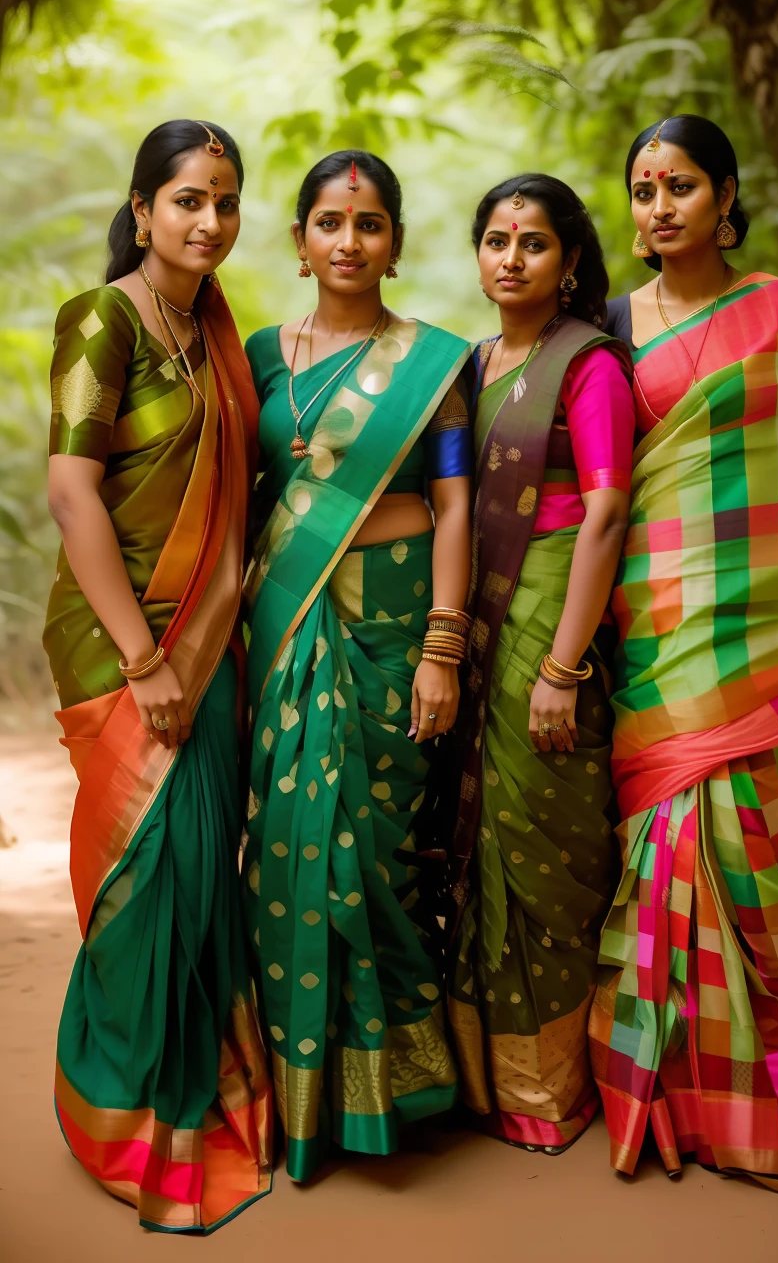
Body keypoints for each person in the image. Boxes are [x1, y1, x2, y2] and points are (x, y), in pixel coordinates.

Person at [594, 114, 778, 1191]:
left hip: (764, 636)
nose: (660, 206)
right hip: (651, 624)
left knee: (753, 849)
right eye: (642, 189)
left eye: (680, 184)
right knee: (664, 853)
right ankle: (677, 1089)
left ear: (727, 197)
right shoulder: (605, 326)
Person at [44, 119, 272, 1233]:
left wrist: (188, 658)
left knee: (199, 880)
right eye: (188, 199)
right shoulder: (107, 321)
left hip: (208, 649)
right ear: (142, 212)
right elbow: (73, 492)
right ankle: (124, 1117)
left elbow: (242, 519)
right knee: (139, 892)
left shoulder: (216, 334)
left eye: (225, 201)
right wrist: (143, 661)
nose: (209, 221)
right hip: (123, 652)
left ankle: (201, 1100)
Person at [243, 149, 472, 1181]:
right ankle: (304, 1102)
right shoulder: (255, 356)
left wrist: (442, 645)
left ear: (394, 240)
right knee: (292, 848)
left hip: (394, 625)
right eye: (329, 222)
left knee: (378, 854)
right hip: (289, 629)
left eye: (369, 222)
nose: (348, 240)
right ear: (298, 241)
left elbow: (458, 503)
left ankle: (400, 1090)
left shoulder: (437, 363)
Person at [446, 173, 634, 1154]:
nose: (510, 258)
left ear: (568, 263)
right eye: (495, 240)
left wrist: (562, 668)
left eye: (533, 243)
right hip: (475, 624)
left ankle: (548, 1088)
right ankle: (485, 1078)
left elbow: (605, 512)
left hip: (550, 621)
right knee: (477, 844)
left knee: (542, 841)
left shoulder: (588, 365)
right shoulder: (471, 365)